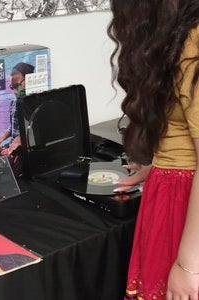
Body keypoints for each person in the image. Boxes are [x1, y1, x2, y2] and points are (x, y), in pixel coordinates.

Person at [108, 1, 199, 299]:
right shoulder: (181, 34)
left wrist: (188, 266)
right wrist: (159, 166)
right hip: (173, 191)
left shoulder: (193, 41)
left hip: (186, 210)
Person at [0, 62, 34, 155]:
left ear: (29, 80)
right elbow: (13, 127)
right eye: (12, 87)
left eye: (17, 85)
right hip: (14, 148)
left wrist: (21, 138)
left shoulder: (36, 104)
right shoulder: (13, 103)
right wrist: (2, 138)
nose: (14, 91)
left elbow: (36, 128)